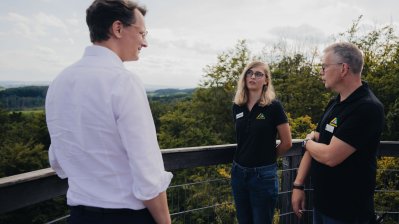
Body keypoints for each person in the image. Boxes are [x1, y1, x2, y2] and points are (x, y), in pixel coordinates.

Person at [45, 1, 173, 223]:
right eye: (142, 33)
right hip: (126, 216)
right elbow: (148, 174)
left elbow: (58, 161)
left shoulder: (59, 82)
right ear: (118, 28)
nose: (145, 42)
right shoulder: (123, 82)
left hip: (79, 216)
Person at [291, 42, 385, 223]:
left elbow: (329, 156)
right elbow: (320, 140)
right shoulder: (336, 103)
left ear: (343, 69)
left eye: (324, 66)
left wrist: (307, 142)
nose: (321, 71)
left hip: (348, 213)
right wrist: (298, 185)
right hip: (322, 206)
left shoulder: (367, 108)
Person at [231, 61, 292, 223]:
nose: (253, 76)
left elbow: (287, 142)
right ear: (244, 78)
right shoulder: (237, 106)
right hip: (238, 173)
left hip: (263, 176)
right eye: (249, 73)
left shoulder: (274, 107)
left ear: (266, 80)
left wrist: (268, 159)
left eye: (258, 74)